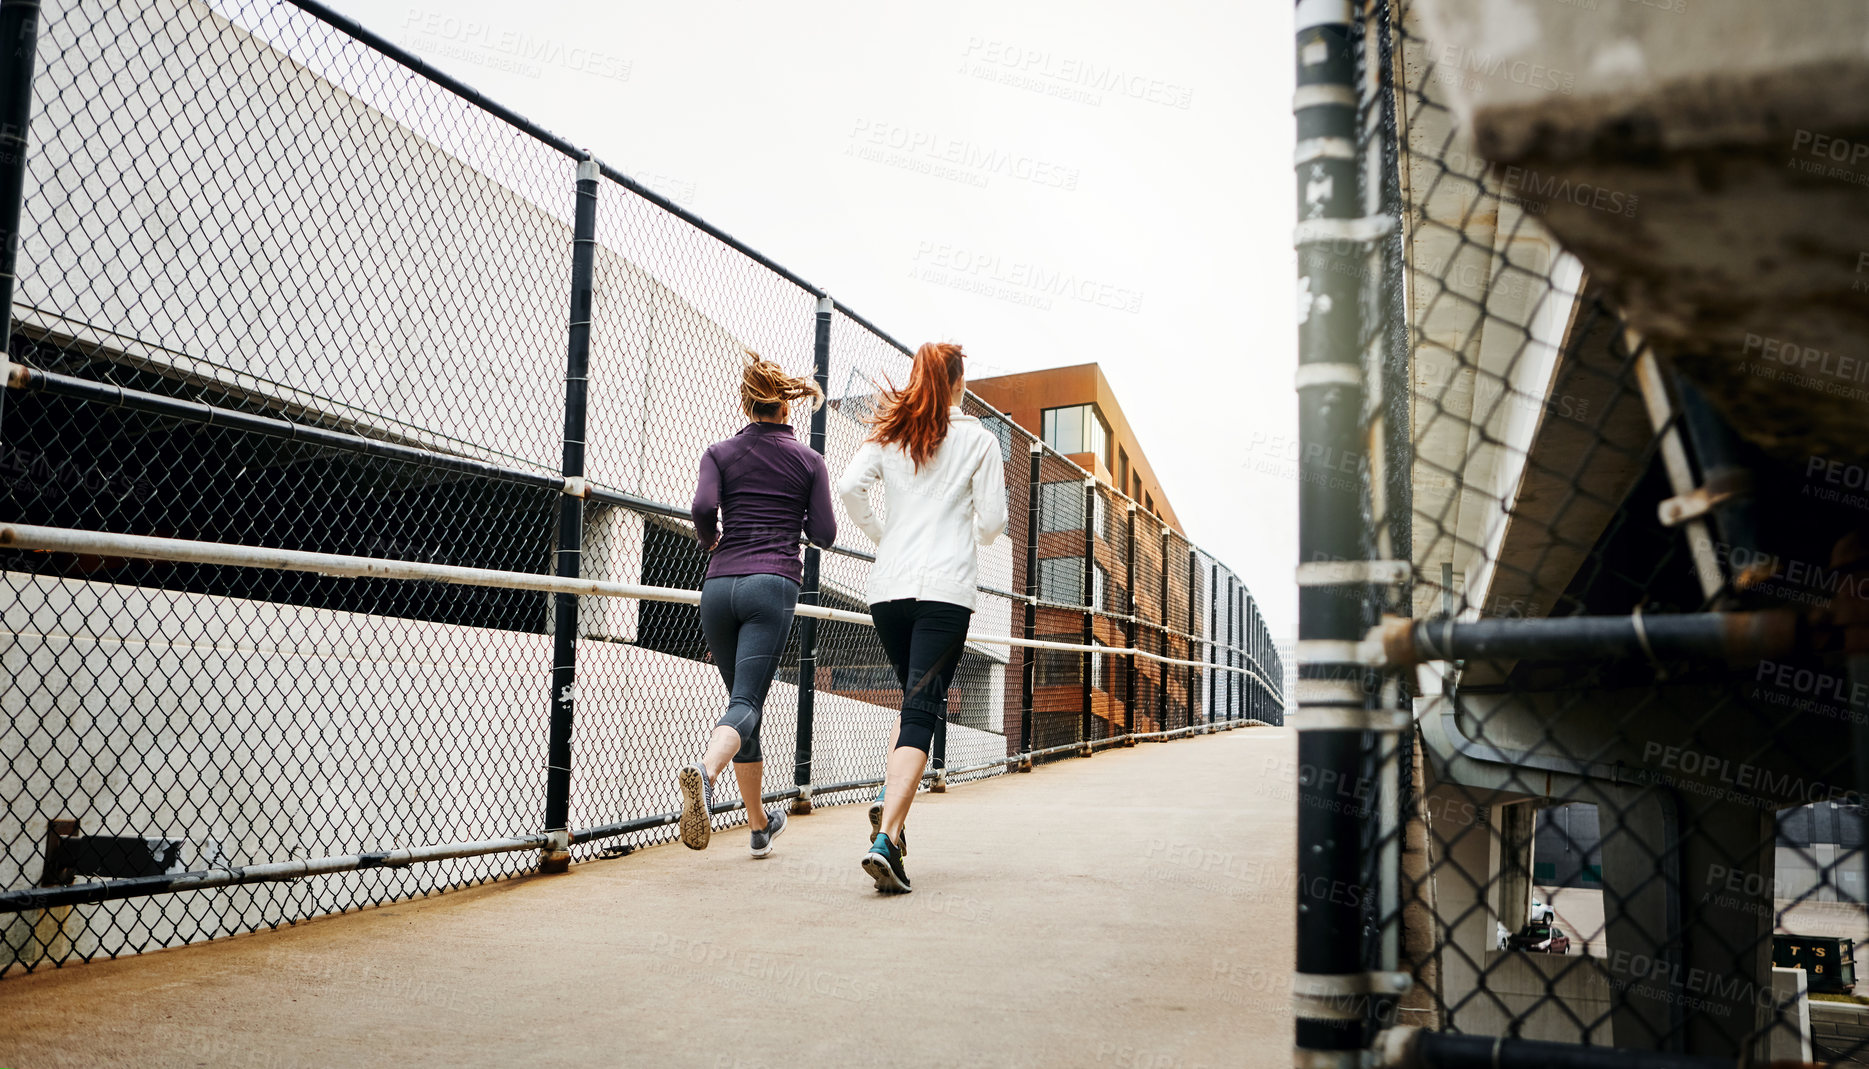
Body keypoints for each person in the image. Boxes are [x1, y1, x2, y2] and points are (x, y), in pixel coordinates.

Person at [837, 341, 1006, 892]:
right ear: (959, 383)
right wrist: (969, 530)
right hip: (944, 592)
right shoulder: (979, 440)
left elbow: (849, 487)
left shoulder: (890, 432)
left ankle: (893, 811)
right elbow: (992, 524)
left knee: (914, 700)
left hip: (887, 591)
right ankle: (886, 838)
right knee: (923, 708)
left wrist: (886, 538)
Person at [678, 351, 835, 858]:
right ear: (787, 407)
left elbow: (703, 508)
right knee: (744, 705)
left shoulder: (719, 453)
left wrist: (712, 540)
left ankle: (758, 824)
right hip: (772, 585)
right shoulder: (809, 461)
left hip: (718, 586)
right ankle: (705, 773)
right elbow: (826, 534)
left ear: (746, 402)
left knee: (742, 707)